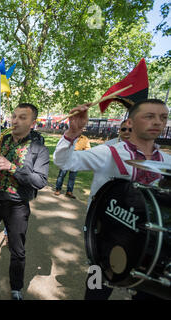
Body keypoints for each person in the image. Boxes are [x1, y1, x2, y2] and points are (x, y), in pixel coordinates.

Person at [53, 98, 170, 300]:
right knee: (96, 289)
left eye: (163, 117)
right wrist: (72, 133)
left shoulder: (167, 161)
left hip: (150, 244)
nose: (158, 122)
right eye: (149, 116)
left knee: (149, 293)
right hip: (106, 238)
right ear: (130, 123)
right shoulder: (109, 152)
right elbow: (65, 161)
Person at [0, 103, 50, 300]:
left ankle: (16, 289)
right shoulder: (0, 141)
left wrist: (11, 167)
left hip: (17, 205)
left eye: (22, 117)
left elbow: (40, 181)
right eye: (14, 116)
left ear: (33, 123)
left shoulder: (39, 148)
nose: (15, 120)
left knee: (18, 251)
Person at [54, 134, 91, 199]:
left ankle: (69, 192)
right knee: (62, 174)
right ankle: (58, 189)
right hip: (67, 156)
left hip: (77, 158)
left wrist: (84, 153)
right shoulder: (70, 135)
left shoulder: (85, 139)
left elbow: (88, 149)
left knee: (72, 177)